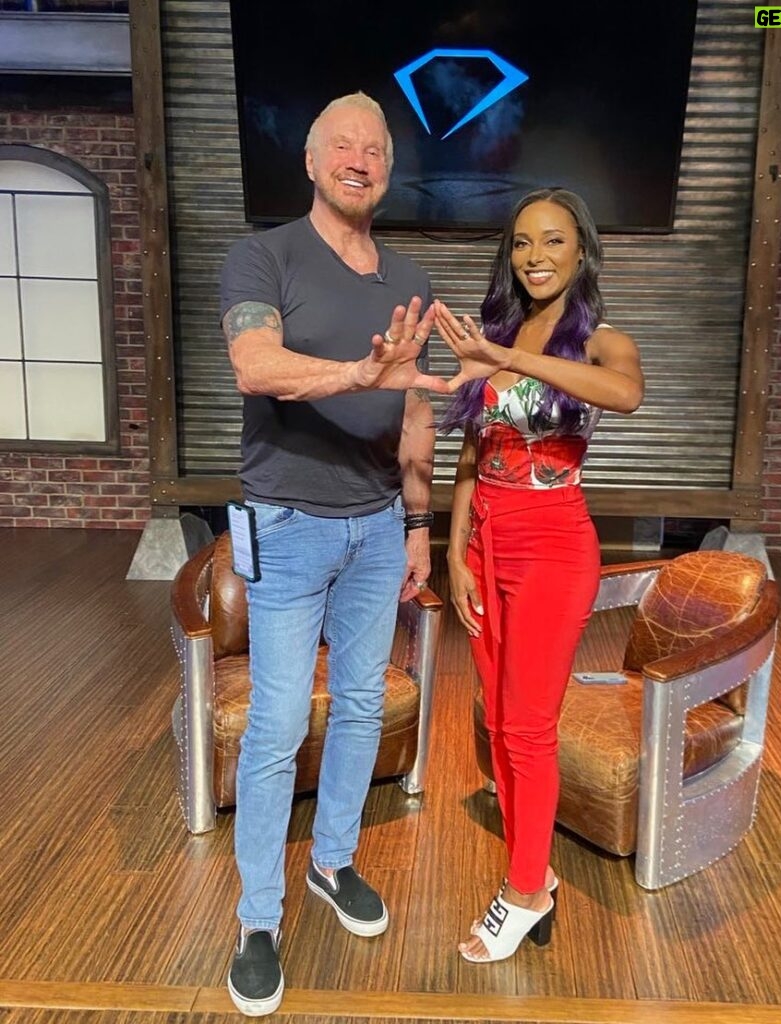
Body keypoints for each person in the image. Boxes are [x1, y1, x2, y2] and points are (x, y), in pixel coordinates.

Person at [218, 92, 448, 1016]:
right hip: (287, 522)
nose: (360, 157)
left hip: (377, 524)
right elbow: (254, 364)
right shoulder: (263, 254)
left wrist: (421, 524)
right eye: (342, 145)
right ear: (311, 163)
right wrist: (358, 371)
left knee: (359, 705)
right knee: (278, 725)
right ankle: (258, 919)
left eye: (376, 146)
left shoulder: (410, 272)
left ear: (390, 165)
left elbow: (419, 406)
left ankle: (334, 862)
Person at [436, 187, 644, 963]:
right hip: (487, 544)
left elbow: (627, 395)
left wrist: (509, 358)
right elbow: (472, 453)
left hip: (554, 546)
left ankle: (523, 892)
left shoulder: (600, 341)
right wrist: (457, 552)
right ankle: (538, 872)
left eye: (553, 241)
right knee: (497, 720)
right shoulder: (495, 333)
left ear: (581, 251)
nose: (535, 256)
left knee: (528, 727)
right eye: (522, 242)